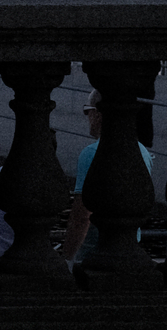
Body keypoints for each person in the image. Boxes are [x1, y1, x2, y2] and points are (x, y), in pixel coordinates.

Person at [61, 89, 153, 267]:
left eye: (87, 111)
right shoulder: (142, 151)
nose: (87, 118)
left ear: (97, 114)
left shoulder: (91, 153)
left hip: (94, 252)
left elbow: (82, 216)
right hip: (132, 250)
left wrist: (67, 259)